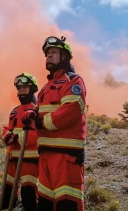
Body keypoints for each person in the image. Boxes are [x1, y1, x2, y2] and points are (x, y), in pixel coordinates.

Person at [21, 36, 87, 211]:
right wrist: (31, 114)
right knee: (45, 205)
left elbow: (70, 111)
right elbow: (41, 110)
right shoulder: (45, 87)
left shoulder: (73, 80)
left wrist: (40, 122)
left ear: (64, 56)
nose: (48, 56)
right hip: (45, 157)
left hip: (66, 157)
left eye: (53, 53)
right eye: (47, 53)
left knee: (67, 204)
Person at [0, 72, 39, 211]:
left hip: (30, 160)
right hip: (13, 160)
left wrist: (17, 138)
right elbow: (8, 128)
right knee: (6, 195)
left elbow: (36, 134)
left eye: (25, 87)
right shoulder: (15, 111)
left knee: (28, 195)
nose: (21, 90)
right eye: (19, 87)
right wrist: (6, 135)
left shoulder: (37, 109)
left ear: (32, 88)